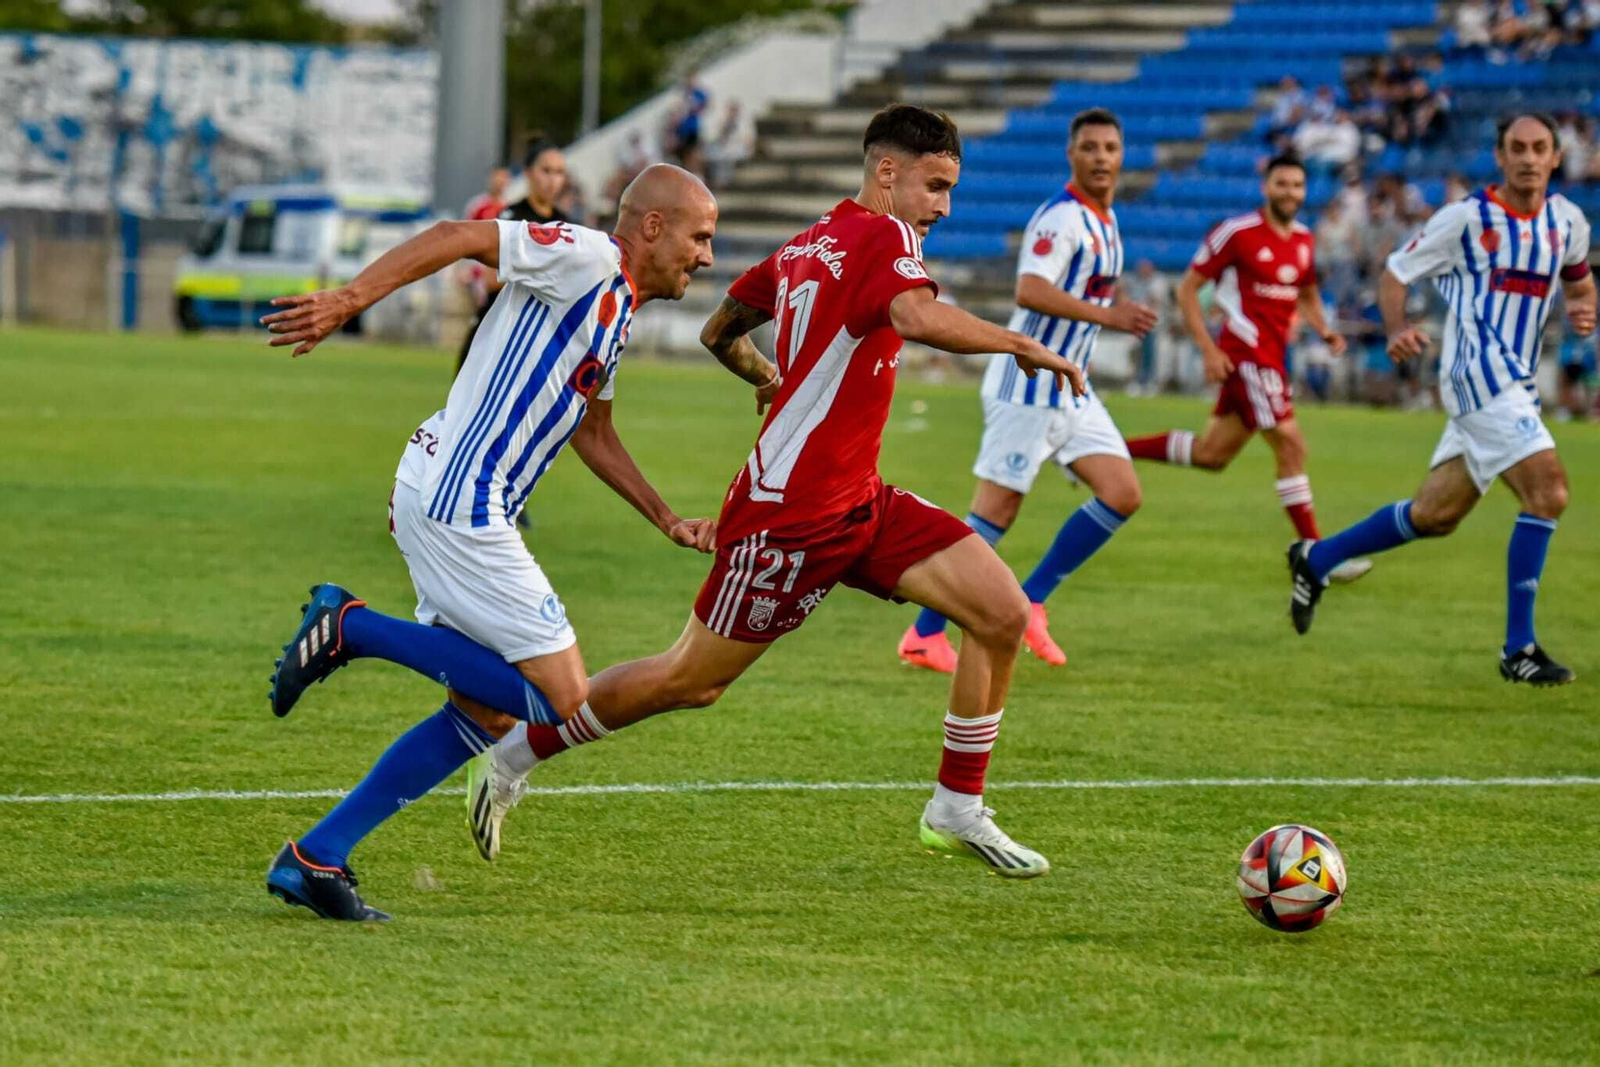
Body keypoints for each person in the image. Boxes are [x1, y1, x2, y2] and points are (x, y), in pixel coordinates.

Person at [447, 103, 1086, 879]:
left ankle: (955, 807)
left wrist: (770, 376)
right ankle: (510, 756)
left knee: (1001, 613)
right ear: (888, 173)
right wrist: (1017, 340)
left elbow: (721, 328)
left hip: (859, 498)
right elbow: (915, 315)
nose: (943, 206)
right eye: (935, 185)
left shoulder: (810, 239)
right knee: (691, 679)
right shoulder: (886, 237)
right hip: (790, 516)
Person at [256, 164, 721, 921]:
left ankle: (317, 856)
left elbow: (595, 432)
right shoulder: (585, 257)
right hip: (460, 498)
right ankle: (352, 627)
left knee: (485, 711)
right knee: (561, 698)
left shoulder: (617, 309)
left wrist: (666, 517)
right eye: (699, 236)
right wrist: (349, 298)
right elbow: (454, 237)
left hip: (455, 493)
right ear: (651, 227)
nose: (705, 255)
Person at [1287, 115, 1595, 686]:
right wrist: (1397, 326)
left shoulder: (1567, 222)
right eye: (1517, 149)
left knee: (1436, 515)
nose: (1529, 158)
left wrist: (1583, 307)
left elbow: (1579, 280)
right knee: (1548, 492)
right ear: (1500, 158)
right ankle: (1518, 648)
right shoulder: (1466, 220)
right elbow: (1395, 273)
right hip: (1476, 374)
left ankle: (1317, 560)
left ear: (1557, 158)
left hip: (1514, 382)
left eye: (1540, 149)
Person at [896, 108, 1157, 673]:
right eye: (1089, 147)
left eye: (1110, 147)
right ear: (1072, 154)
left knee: (1122, 493)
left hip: (1072, 388)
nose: (1101, 157)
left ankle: (1033, 599)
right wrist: (1108, 317)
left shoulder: (1105, 221)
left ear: (1121, 155)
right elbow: (1032, 290)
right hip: (1028, 384)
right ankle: (923, 632)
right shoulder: (1060, 219)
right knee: (993, 513)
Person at [1125, 154, 1370, 583]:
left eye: (1297, 185)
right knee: (1292, 447)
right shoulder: (1236, 233)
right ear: (1266, 186)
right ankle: (1319, 557)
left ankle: (1105, 450)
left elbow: (1308, 293)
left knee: (1211, 454)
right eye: (1282, 184)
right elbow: (1188, 289)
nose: (1290, 192)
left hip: (1272, 357)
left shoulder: (1304, 240)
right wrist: (1208, 349)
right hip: (1246, 356)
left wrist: (1324, 329)